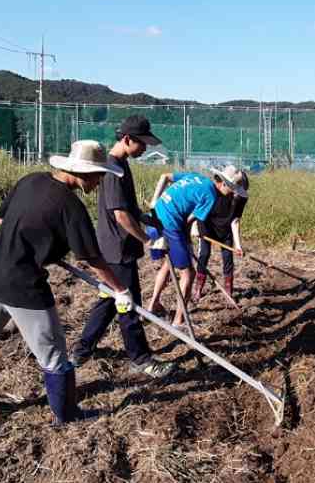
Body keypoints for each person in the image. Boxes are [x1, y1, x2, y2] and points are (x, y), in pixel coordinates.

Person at [0, 140, 135, 425]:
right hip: (25, 289)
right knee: (55, 355)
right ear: (82, 173)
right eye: (99, 175)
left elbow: (0, 219)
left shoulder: (30, 181)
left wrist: (39, 244)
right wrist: (121, 290)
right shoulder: (71, 207)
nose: (100, 181)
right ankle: (67, 415)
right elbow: (91, 259)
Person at [71, 116, 174, 378]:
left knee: (108, 301)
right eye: (142, 144)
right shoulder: (113, 169)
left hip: (115, 248)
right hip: (117, 249)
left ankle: (82, 350)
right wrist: (147, 240)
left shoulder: (121, 165)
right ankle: (140, 359)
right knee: (129, 304)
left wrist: (147, 219)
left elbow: (129, 208)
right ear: (127, 139)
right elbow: (120, 215)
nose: (145, 149)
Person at [144, 166, 246, 327]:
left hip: (154, 217)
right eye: (232, 188)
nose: (233, 193)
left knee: (167, 263)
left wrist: (154, 202)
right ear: (224, 184)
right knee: (188, 273)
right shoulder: (211, 197)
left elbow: (165, 176)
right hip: (170, 224)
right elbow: (187, 222)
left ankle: (152, 305)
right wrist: (186, 243)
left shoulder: (196, 177)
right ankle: (179, 319)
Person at [192, 166, 250, 300]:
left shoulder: (241, 199)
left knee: (228, 258)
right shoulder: (215, 191)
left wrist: (238, 245)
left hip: (225, 230)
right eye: (235, 189)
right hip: (207, 226)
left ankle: (229, 291)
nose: (237, 193)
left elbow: (235, 221)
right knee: (204, 254)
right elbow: (197, 209)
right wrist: (194, 227)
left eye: (240, 191)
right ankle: (198, 289)